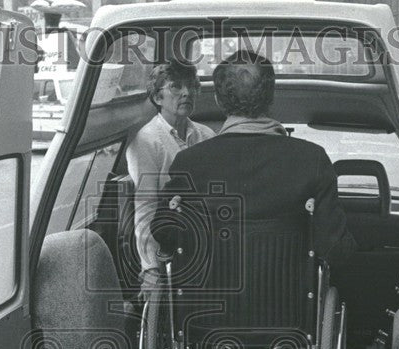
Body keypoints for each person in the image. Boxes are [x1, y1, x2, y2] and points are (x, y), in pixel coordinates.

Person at [153, 49, 356, 268]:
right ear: (271, 97)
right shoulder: (312, 160)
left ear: (218, 101)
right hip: (289, 300)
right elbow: (336, 250)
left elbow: (163, 231)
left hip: (208, 301)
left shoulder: (189, 163)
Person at [125, 61, 214, 297]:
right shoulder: (146, 141)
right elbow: (145, 206)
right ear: (157, 97)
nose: (186, 93)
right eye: (176, 87)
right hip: (171, 240)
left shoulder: (207, 135)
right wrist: (150, 267)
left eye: (191, 86)